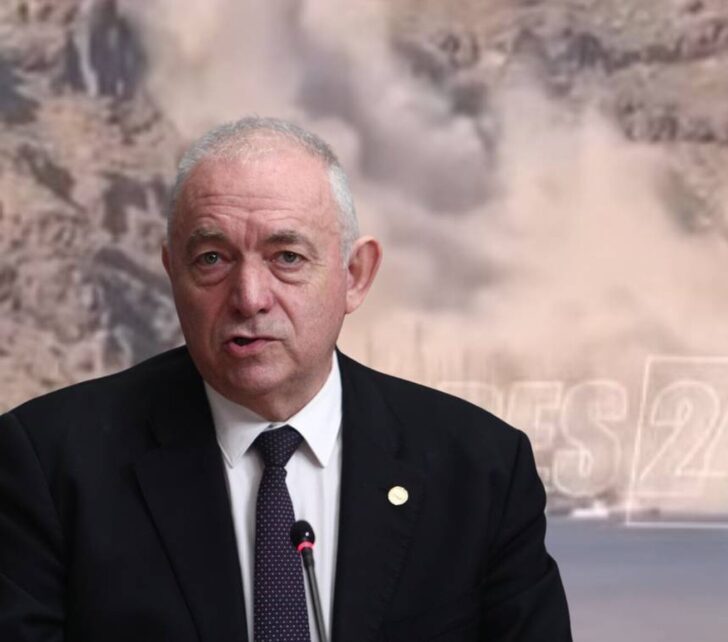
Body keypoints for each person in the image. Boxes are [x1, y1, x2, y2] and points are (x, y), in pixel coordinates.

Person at [0, 117, 572, 641]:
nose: (250, 297)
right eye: (212, 259)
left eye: (287, 257)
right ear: (172, 273)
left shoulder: (481, 471)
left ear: (354, 276)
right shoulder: (49, 464)